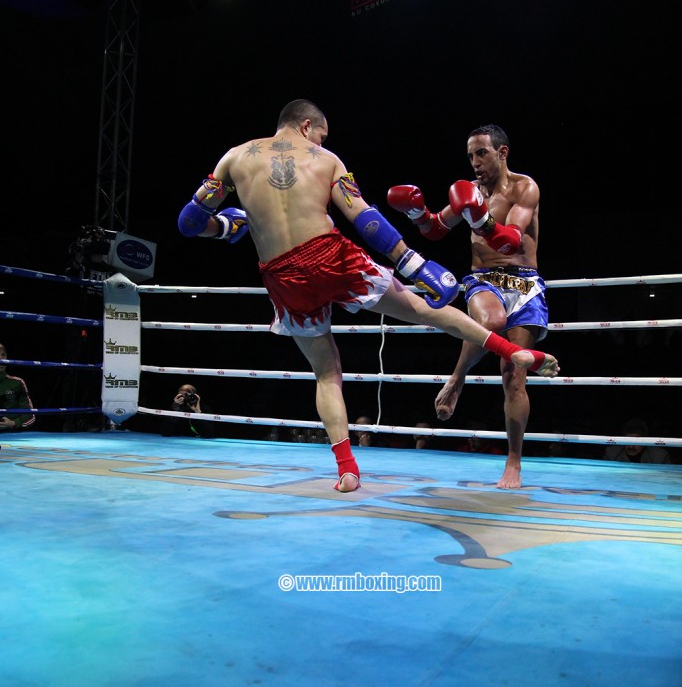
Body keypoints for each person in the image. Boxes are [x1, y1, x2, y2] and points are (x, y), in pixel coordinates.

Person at [177, 100, 559, 492]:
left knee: (326, 373)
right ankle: (512, 352)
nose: (323, 141)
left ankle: (346, 469)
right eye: (322, 134)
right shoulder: (324, 159)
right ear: (308, 127)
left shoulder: (235, 157)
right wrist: (413, 263)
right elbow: (363, 217)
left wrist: (223, 227)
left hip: (281, 275)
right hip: (328, 255)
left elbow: (188, 222)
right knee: (424, 310)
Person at [387, 124, 548, 489]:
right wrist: (416, 213)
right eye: (470, 155)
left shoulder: (525, 187)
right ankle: (458, 377)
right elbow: (436, 229)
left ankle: (513, 461)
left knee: (514, 376)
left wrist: (480, 219)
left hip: (524, 281)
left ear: (502, 153)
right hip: (483, 280)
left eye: (482, 153)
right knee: (491, 321)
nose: (474, 162)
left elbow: (510, 240)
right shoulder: (469, 192)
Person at [0, 343, 36, 433]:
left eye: (3, 355)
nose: (0, 359)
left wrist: (14, 423)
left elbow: (30, 415)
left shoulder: (17, 383)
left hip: (12, 435)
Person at [603, 418, 672, 464]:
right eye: (627, 441)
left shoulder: (659, 457)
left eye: (635, 442)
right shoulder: (611, 454)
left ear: (645, 441)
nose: (631, 446)